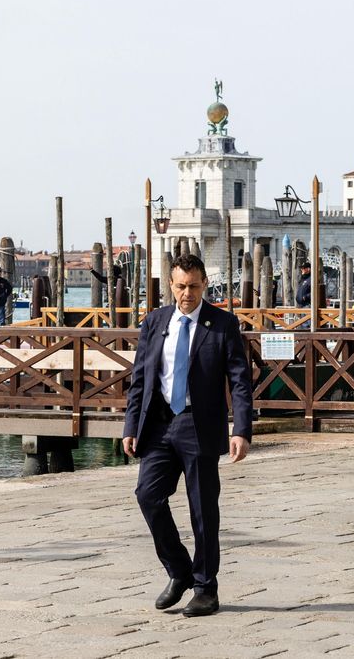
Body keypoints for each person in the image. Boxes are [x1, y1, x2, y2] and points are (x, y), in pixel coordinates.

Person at [122, 254, 253, 618]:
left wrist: (240, 429)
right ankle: (179, 571)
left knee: (203, 511)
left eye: (194, 286)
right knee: (147, 496)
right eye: (180, 286)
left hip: (200, 425)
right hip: (160, 425)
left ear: (204, 285)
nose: (187, 294)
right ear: (171, 285)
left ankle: (205, 589)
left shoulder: (223, 324)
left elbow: (240, 381)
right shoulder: (155, 322)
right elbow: (140, 380)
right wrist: (131, 426)